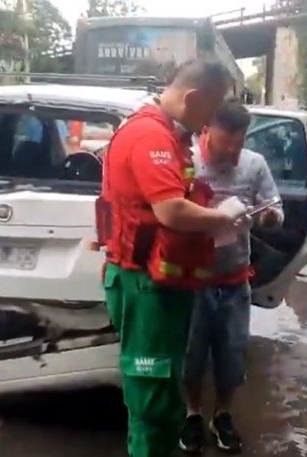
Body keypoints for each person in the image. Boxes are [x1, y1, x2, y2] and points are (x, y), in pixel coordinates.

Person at [99, 59, 250, 457]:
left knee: (166, 395)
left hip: (162, 284)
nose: (209, 122)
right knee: (153, 399)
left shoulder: (169, 134)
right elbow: (171, 211)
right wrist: (223, 217)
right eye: (210, 109)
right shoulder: (150, 136)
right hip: (145, 286)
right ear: (192, 97)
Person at [180, 99, 284, 454]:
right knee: (191, 357)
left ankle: (221, 414)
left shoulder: (254, 165)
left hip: (234, 279)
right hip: (191, 281)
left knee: (231, 356)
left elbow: (275, 208)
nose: (232, 151)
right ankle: (192, 413)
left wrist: (270, 218)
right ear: (205, 131)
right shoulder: (186, 163)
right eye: (225, 143)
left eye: (238, 144)